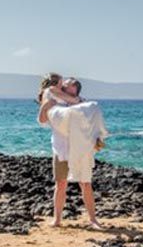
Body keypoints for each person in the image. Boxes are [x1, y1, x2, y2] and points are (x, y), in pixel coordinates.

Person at [37, 74, 107, 229]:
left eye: (66, 83)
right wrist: (45, 105)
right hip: (61, 148)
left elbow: (92, 122)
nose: (62, 85)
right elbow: (42, 120)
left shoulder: (83, 103)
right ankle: (57, 219)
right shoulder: (57, 100)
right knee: (61, 183)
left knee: (85, 183)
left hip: (80, 149)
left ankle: (93, 220)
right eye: (61, 83)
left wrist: (96, 138)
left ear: (74, 87)